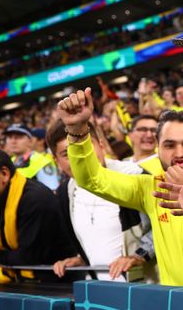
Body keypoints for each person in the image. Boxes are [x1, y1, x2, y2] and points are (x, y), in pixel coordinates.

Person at [56, 88, 183, 290]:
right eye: (169, 145)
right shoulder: (149, 188)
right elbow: (90, 179)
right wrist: (77, 130)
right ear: (157, 149)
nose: (179, 153)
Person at [46, 120, 156, 281]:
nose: (79, 157)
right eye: (66, 154)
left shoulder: (134, 175)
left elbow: (164, 225)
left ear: (102, 145)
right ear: (57, 162)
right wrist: (82, 258)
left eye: (86, 146)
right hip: (100, 292)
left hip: (144, 290)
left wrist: (139, 256)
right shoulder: (65, 192)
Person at [0, 150, 78, 283]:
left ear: (4, 174)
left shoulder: (35, 200)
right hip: (18, 280)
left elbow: (27, 257)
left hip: (55, 285)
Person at [3, 124, 59, 190]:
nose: (13, 141)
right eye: (9, 137)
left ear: (30, 140)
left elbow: (52, 191)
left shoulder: (42, 162)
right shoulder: (9, 161)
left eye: (18, 137)